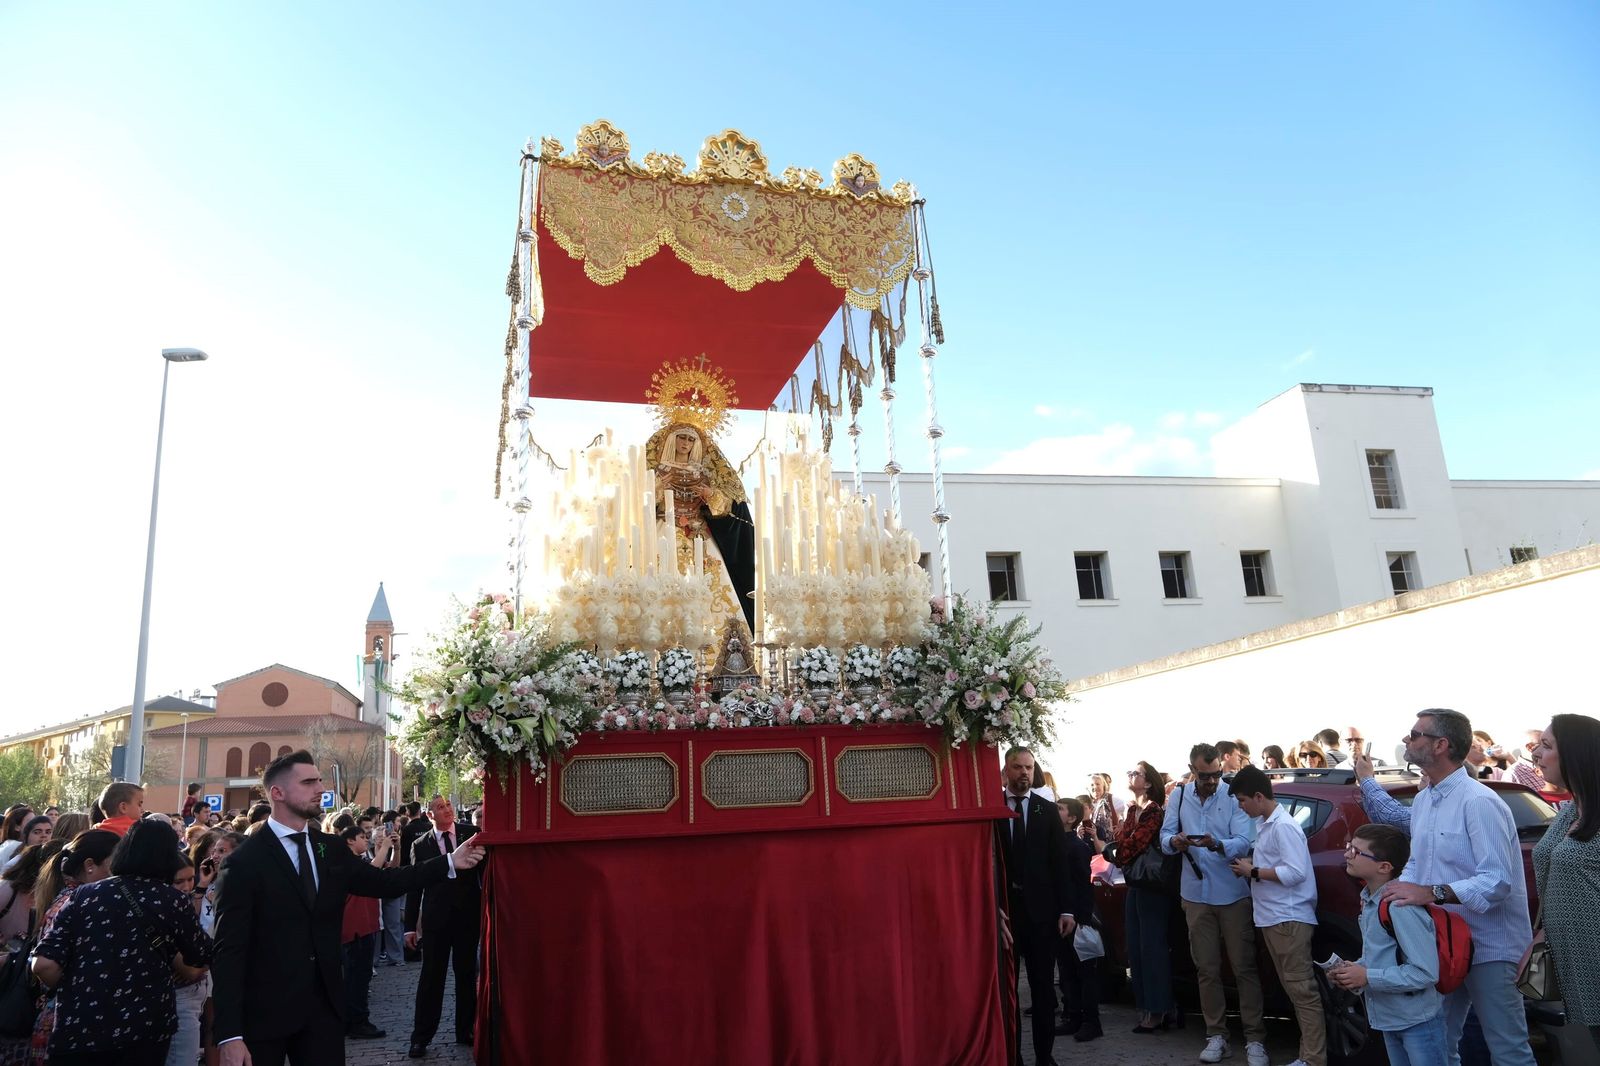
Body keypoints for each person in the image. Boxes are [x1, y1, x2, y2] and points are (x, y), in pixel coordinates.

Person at [210, 750, 484, 1066]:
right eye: (308, 782)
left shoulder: (328, 848)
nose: (320, 788)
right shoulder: (244, 863)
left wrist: (449, 862)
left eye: (320, 780)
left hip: (323, 1011)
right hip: (265, 1015)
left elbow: (386, 882)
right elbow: (229, 950)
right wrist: (229, 1034)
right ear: (277, 792)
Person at [1381, 708, 1534, 1066]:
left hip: (1489, 947)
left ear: (1440, 745)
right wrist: (1389, 893)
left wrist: (1430, 893)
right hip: (1441, 944)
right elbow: (1419, 864)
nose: (1407, 739)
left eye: (1415, 734)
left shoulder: (1479, 801)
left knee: (1509, 1050)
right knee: (1439, 1043)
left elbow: (1496, 881)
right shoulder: (1423, 800)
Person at [30, 819, 212, 1065]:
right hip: (143, 1031)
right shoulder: (171, 899)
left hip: (79, 1029)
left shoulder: (84, 895)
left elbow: (43, 965)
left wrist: (76, 988)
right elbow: (199, 955)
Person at [1162, 742, 1267, 1066]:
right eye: (1205, 776)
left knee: (1243, 968)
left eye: (1216, 775)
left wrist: (1217, 843)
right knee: (1206, 969)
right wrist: (1175, 841)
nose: (1211, 781)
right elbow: (1164, 838)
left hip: (1232, 893)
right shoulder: (1179, 795)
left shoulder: (1231, 795)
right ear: (1193, 770)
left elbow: (1245, 841)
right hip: (1195, 894)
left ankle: (1255, 1039)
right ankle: (1216, 1035)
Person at [1228, 766, 1325, 1066]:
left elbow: (1295, 872)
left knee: (1302, 992)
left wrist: (1253, 870)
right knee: (1295, 991)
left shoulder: (1282, 826)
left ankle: (1312, 1059)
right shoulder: (1268, 823)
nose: (1241, 807)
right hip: (1276, 918)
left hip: (1288, 918)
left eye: (1243, 800)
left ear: (1259, 796)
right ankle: (1308, 1055)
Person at [1331, 824, 1447, 1065]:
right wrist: (1352, 972)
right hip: (1390, 1018)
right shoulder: (1371, 900)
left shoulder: (1399, 907)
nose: (1346, 854)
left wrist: (1368, 976)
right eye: (1349, 847)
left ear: (1384, 867)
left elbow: (1425, 972)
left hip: (1417, 1022)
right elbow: (1381, 957)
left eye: (1356, 851)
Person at [994, 747, 1074, 1066]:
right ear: (1006, 771)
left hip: (1043, 916)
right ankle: (1012, 1056)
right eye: (1017, 767)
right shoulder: (993, 808)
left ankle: (1045, 1056)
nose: (1024, 773)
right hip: (1006, 916)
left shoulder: (1045, 810)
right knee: (1009, 992)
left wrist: (1067, 909)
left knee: (1043, 991)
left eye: (1029, 767)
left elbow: (1060, 864)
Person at [1530, 714, 1600, 1051]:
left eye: (1546, 746)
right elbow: (1552, 876)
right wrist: (1540, 935)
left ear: (1576, 753)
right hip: (1572, 963)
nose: (1536, 754)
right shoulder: (1571, 810)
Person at [649, 421, 756, 635]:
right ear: (672, 439)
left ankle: (720, 643)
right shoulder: (658, 472)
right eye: (681, 437)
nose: (685, 443)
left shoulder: (703, 474)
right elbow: (640, 501)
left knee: (711, 584)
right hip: (665, 531)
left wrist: (710, 495)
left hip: (699, 533)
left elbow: (726, 506)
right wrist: (658, 487)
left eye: (691, 439)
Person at [26, 829, 119, 1064]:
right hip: (65, 1021)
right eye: (115, 863)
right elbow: (45, 966)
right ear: (90, 865)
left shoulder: (75, 898)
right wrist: (81, 988)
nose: (120, 872)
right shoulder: (76, 903)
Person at [404, 796, 483, 1058]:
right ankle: (421, 1037)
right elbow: (415, 886)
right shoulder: (420, 844)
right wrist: (409, 927)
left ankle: (467, 1030)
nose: (447, 810)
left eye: (448, 805)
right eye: (440, 808)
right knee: (431, 978)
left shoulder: (470, 834)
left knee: (466, 974)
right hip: (436, 921)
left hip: (467, 918)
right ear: (429, 815)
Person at [1113, 761, 1175, 1033]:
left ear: (1148, 782)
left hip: (1152, 886)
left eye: (1136, 773)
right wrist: (1117, 848)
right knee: (1136, 950)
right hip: (1135, 882)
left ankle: (1160, 1009)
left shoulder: (1154, 813)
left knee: (1152, 950)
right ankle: (1147, 1006)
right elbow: (1125, 842)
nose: (1130, 775)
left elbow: (1129, 847)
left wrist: (1113, 850)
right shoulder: (1132, 810)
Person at [1052, 797, 1101, 1043]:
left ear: (1072, 818)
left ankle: (1091, 1022)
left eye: (1060, 809)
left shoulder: (1078, 847)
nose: (1055, 811)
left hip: (1077, 919)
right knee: (1067, 971)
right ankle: (1073, 1016)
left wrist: (1081, 918)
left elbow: (1083, 886)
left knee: (1084, 973)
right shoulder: (1054, 843)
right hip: (1059, 917)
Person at [340, 824, 395, 1040]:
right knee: (356, 978)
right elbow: (371, 873)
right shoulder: (348, 863)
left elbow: (386, 870)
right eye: (362, 837)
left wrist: (392, 849)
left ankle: (354, 1020)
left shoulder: (360, 860)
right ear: (350, 841)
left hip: (366, 925)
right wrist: (384, 847)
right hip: (354, 928)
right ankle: (357, 1021)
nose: (366, 840)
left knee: (360, 978)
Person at [167, 855, 210, 1066]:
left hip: (191, 998)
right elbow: (189, 970)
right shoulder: (164, 912)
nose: (186, 886)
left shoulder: (184, 901)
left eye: (189, 879)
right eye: (179, 882)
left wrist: (200, 886)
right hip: (179, 998)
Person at [1086, 773, 1125, 844]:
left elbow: (1126, 812)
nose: (1095, 787)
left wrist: (1122, 825)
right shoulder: (1087, 804)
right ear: (1088, 788)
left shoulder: (1112, 799)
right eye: (1092, 785)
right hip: (1094, 844)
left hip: (1111, 844)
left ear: (1103, 786)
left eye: (1097, 784)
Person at [0, 806, 32, 872]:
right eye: (31, 821)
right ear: (17, 827)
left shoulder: (7, 844)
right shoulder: (16, 846)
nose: (36, 824)